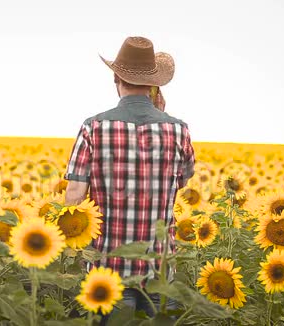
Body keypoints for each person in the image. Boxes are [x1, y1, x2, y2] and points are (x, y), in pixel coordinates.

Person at [63, 36, 196, 322]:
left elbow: (73, 196)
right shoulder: (179, 130)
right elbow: (182, 181)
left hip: (108, 273)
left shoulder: (93, 128)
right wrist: (161, 116)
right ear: (153, 85)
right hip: (159, 269)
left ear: (116, 77)